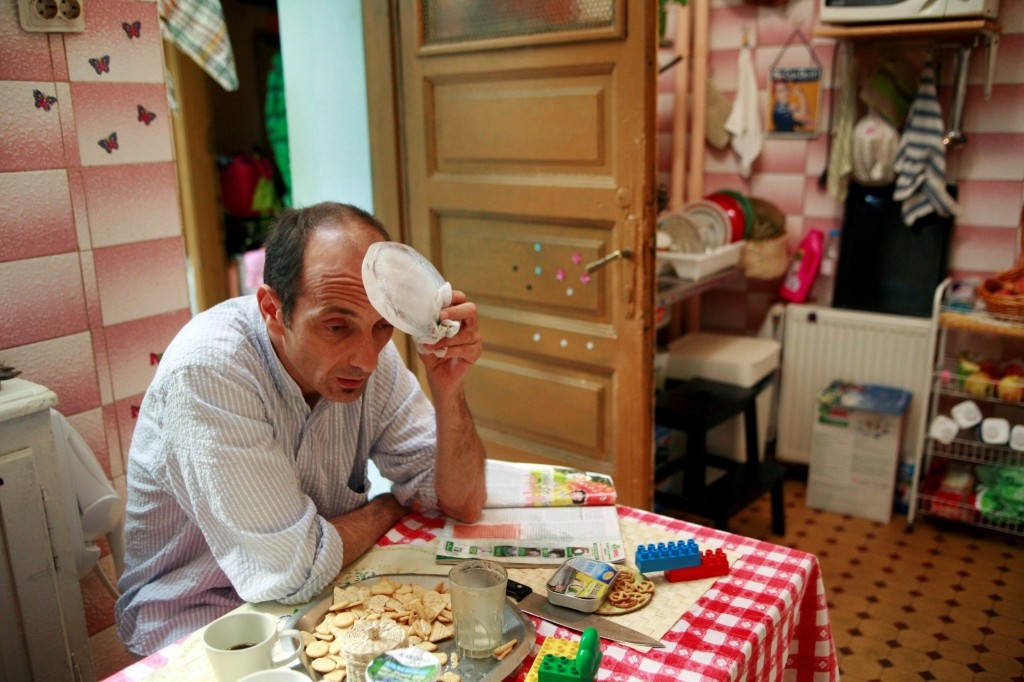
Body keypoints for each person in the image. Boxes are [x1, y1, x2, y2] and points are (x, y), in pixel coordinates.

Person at [115, 202, 487, 656]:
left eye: (382, 326)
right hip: (196, 618)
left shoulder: (372, 356)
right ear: (273, 308)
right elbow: (293, 570)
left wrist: (448, 388)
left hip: (316, 597)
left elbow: (461, 501)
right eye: (336, 326)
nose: (366, 360)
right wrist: (387, 505)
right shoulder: (209, 371)